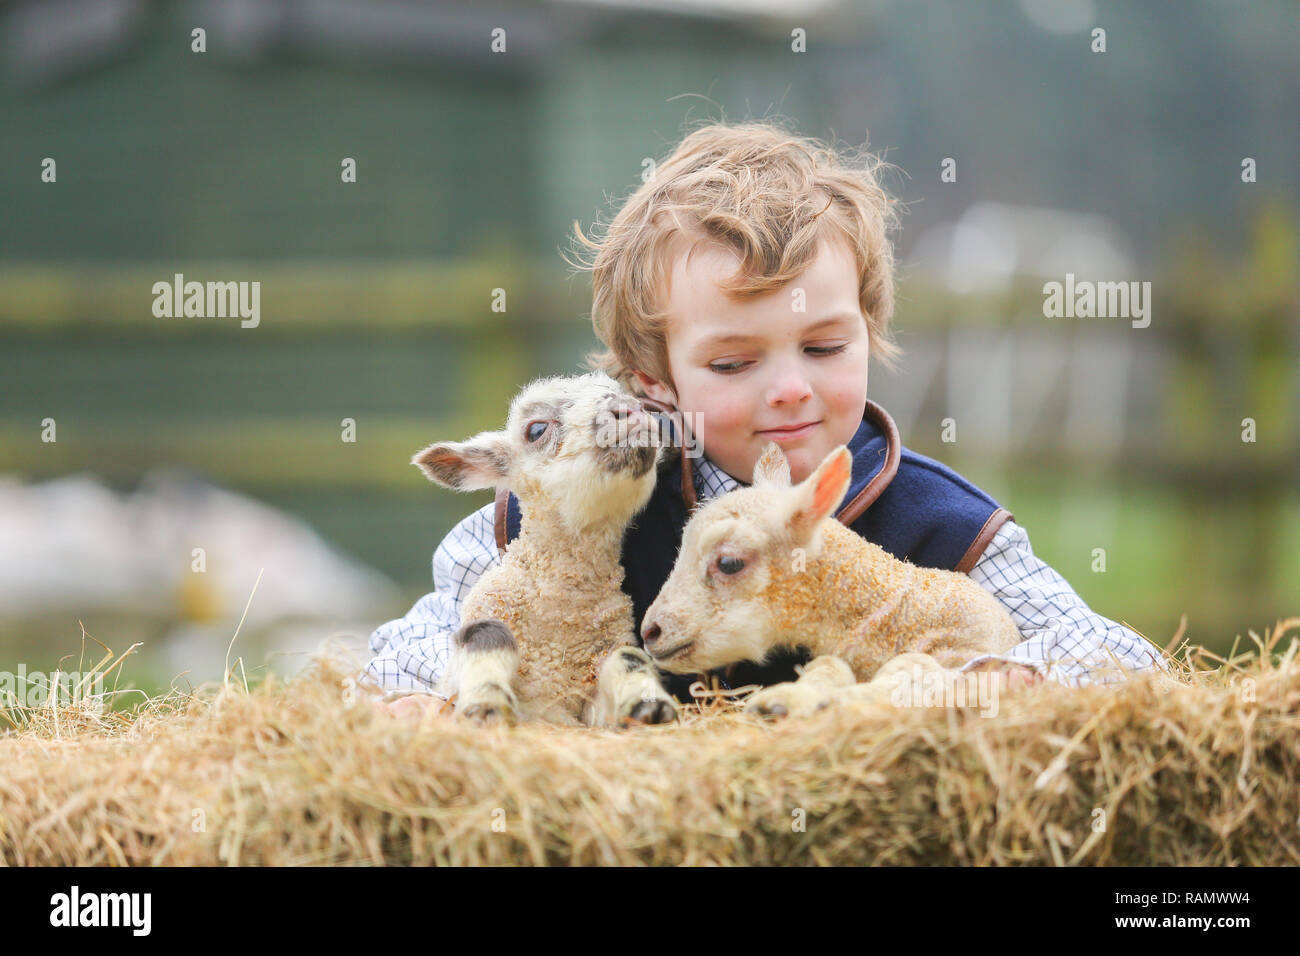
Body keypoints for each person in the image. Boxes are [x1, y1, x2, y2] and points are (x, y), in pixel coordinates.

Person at [363, 122, 1167, 717]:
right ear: (655, 385)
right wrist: (415, 703)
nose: (789, 389)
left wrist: (988, 683)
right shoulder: (574, 517)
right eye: (734, 363)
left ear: (870, 333)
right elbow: (418, 643)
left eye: (822, 346)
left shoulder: (942, 525)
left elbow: (1125, 664)